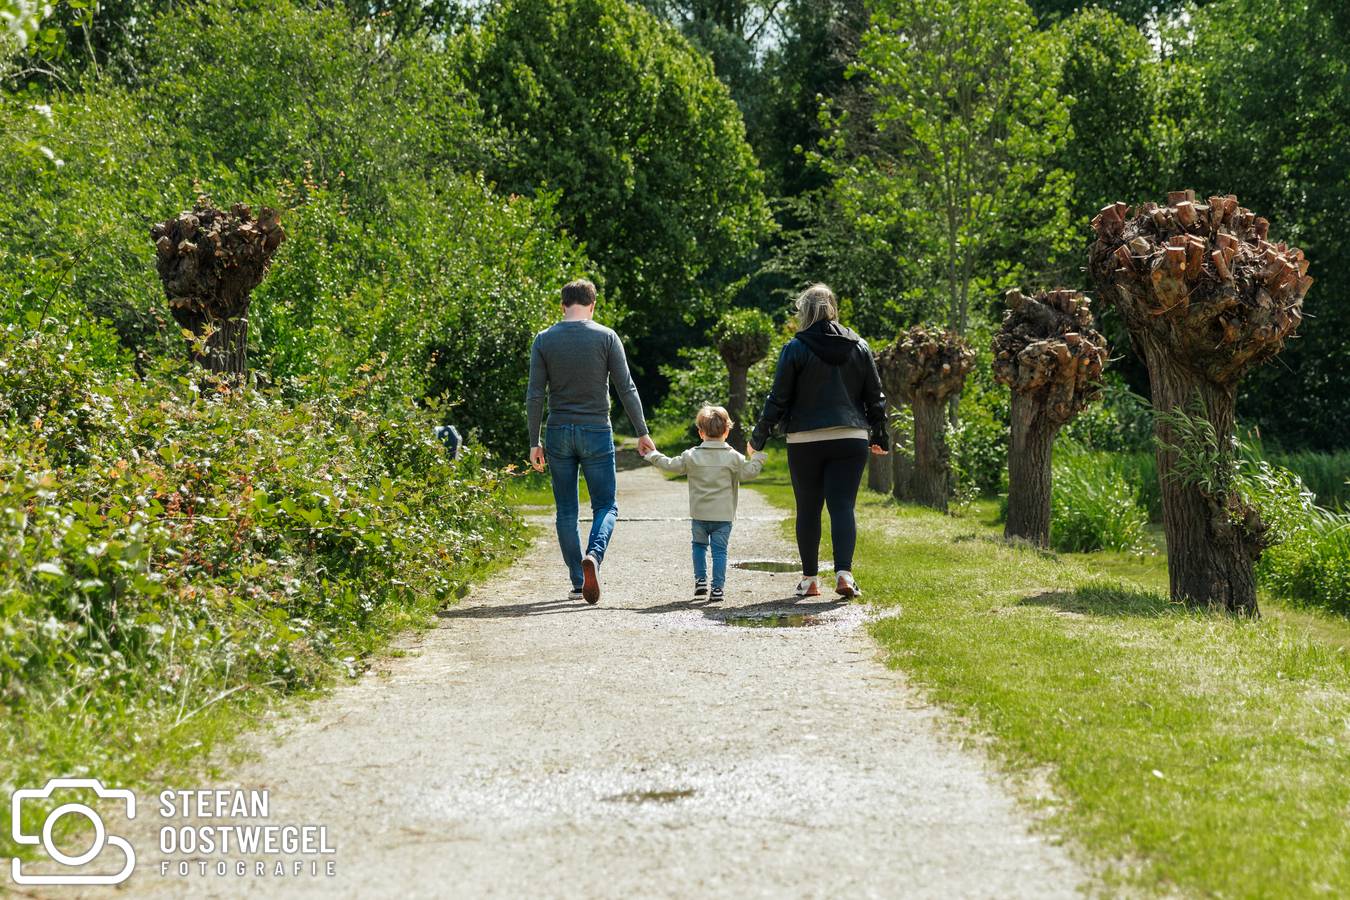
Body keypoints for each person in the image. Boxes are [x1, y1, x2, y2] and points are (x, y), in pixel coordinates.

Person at [749, 284, 888, 599]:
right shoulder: (860, 346)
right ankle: (845, 575)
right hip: (850, 437)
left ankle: (810, 580)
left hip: (805, 439)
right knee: (842, 506)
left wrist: (759, 436)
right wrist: (880, 434)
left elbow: (778, 398)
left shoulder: (795, 348)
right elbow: (875, 395)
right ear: (832, 308)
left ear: (805, 312)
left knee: (808, 509)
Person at [526, 278, 655, 604]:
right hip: (596, 430)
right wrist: (642, 431)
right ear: (593, 305)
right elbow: (626, 387)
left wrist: (534, 441)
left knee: (566, 510)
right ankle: (593, 558)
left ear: (562, 305)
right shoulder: (607, 337)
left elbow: (535, 394)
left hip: (558, 431)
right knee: (606, 505)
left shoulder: (544, 340)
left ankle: (576, 580)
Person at [642, 405, 767, 601]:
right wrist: (757, 457)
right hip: (723, 516)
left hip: (699, 514)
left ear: (701, 432)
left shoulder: (691, 455)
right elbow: (749, 471)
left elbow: (670, 465)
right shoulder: (733, 456)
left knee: (699, 547)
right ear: (726, 431)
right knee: (720, 552)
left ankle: (700, 580)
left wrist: (652, 454)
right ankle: (717, 588)